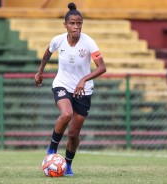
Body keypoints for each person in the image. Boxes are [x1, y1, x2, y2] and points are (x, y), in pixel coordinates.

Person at [34, 2, 106, 176]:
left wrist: (83, 79)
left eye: (79, 23)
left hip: (83, 90)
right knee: (66, 114)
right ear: (65, 24)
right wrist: (40, 71)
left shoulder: (89, 42)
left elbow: (102, 67)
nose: (76, 26)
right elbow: (47, 53)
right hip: (62, 84)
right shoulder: (58, 40)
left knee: (73, 134)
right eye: (72, 23)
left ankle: (68, 164)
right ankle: (52, 149)